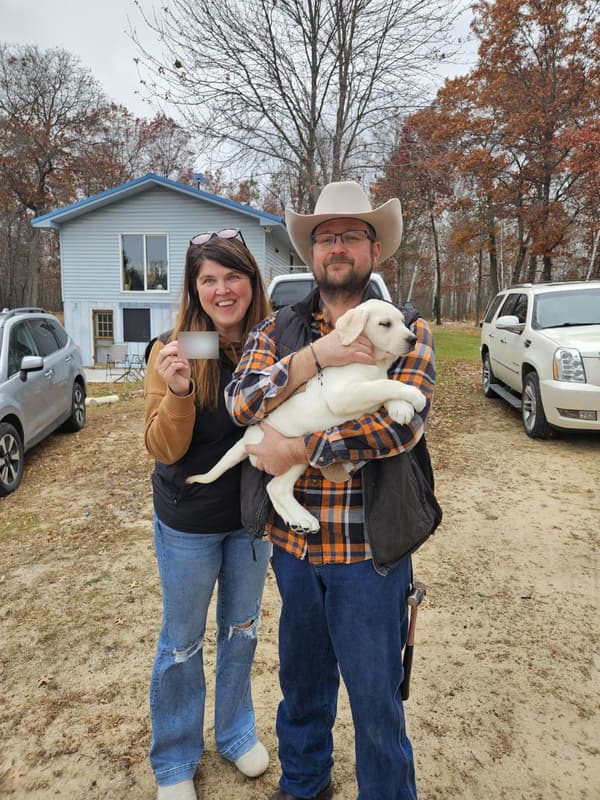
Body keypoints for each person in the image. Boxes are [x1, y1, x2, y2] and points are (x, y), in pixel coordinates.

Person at [225, 182, 436, 800]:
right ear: (311, 252)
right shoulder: (279, 329)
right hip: (296, 551)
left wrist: (297, 451)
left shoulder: (406, 330)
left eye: (350, 235)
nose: (337, 247)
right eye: (325, 237)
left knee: (377, 705)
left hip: (371, 556)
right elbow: (242, 403)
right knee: (303, 690)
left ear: (375, 250)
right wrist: (317, 355)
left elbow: (400, 426)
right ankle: (304, 785)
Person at [144, 230, 273, 800]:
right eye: (209, 279)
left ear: (251, 280)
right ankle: (174, 759)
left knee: (242, 630)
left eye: (232, 276)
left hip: (250, 517)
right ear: (195, 290)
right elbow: (162, 448)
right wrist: (175, 391)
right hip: (188, 521)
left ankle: (235, 730)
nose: (223, 290)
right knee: (182, 641)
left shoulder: (271, 343)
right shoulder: (176, 348)